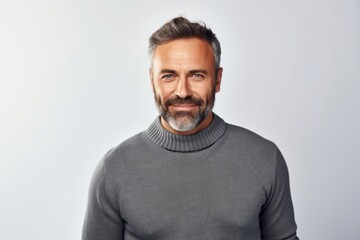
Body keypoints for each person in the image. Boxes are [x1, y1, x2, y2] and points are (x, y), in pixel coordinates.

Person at [82, 16, 299, 240]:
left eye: (197, 75)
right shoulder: (114, 169)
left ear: (218, 80)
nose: (183, 91)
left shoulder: (264, 158)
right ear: (151, 80)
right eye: (168, 76)